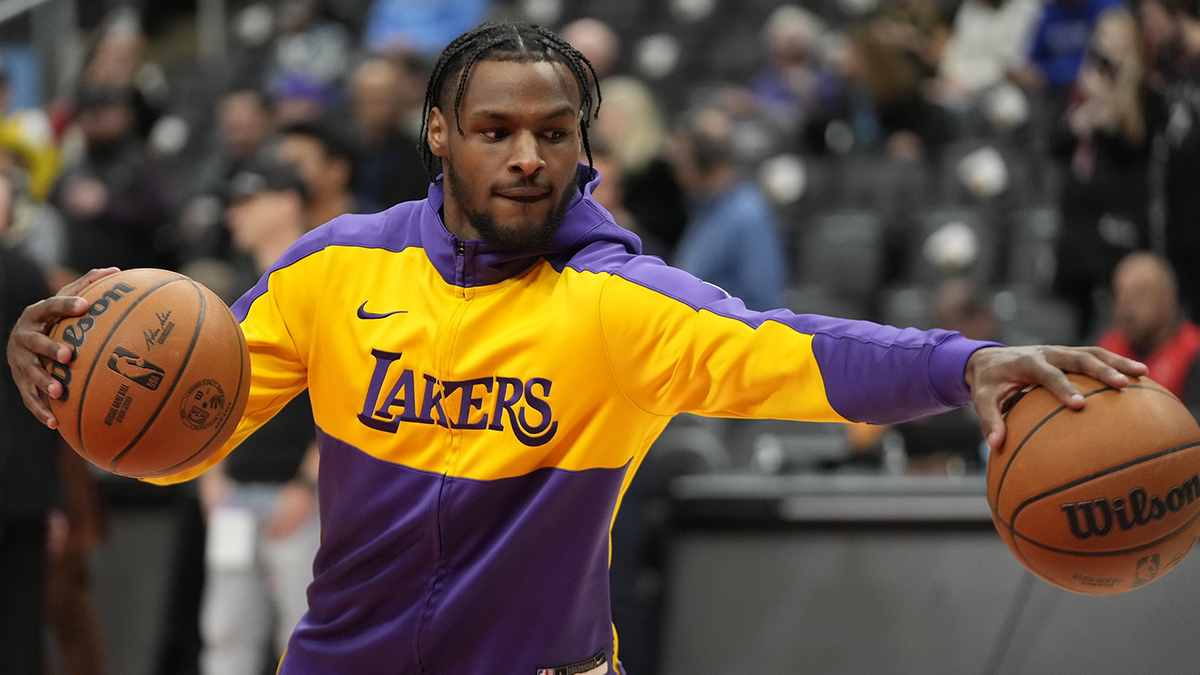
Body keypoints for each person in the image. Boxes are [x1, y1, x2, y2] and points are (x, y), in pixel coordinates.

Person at [7, 21, 1148, 675]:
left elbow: (801, 351)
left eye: (554, 134)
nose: (526, 158)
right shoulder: (334, 269)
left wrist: (964, 364)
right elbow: (175, 429)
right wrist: (59, 383)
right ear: (439, 133)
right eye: (495, 130)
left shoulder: (616, 306)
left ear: (584, 145)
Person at [198, 160, 321, 675]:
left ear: (288, 201)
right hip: (234, 493)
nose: (233, 215)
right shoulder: (232, 293)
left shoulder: (325, 285)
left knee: (307, 637)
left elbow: (357, 399)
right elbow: (201, 398)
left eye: (247, 201)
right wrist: (210, 475)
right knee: (224, 635)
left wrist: (310, 484)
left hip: (304, 497)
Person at [1051, 9, 1164, 335]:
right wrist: (1075, 125)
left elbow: (1132, 149)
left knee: (1118, 305)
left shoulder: (1145, 93)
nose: (1107, 49)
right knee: (1075, 313)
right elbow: (1054, 147)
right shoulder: (1079, 90)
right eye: (1102, 39)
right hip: (1078, 220)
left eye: (1116, 41)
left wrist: (1107, 110)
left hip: (1120, 220)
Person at [0, 171, 61, 675]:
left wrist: (55, 500)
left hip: (22, 488)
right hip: (24, 484)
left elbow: (53, 395)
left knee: (24, 629)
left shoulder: (25, 274)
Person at [670, 106, 788, 312]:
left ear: (705, 161)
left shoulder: (747, 214)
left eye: (682, 160)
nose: (676, 171)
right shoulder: (704, 207)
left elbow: (763, 302)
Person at [1096, 252, 1200, 403]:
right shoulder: (1101, 349)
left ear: (1168, 298)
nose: (1127, 305)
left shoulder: (1194, 352)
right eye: (1120, 294)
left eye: (1140, 293)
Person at [348, 57, 429, 213]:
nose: (377, 109)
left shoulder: (422, 158)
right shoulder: (343, 155)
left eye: (384, 99)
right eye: (369, 99)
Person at [276, 121, 359, 228]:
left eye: (297, 164)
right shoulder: (278, 227)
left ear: (336, 171)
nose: (286, 173)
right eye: (283, 164)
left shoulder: (371, 229)